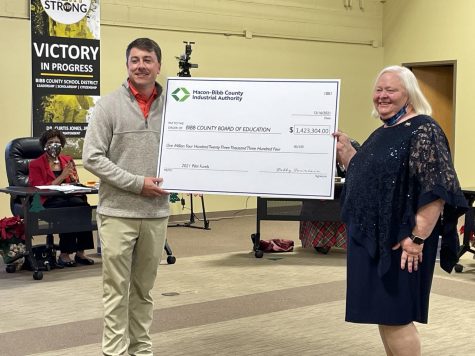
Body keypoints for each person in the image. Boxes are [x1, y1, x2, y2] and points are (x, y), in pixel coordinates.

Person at [334, 65, 468, 356]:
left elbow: (436, 190)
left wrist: (417, 239)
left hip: (403, 241)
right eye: (379, 89)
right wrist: (348, 153)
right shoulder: (384, 131)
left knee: (396, 317)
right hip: (380, 238)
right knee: (385, 314)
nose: (382, 96)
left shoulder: (423, 129)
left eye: (391, 90)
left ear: (409, 95)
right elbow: (373, 176)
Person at [82, 38, 169, 356]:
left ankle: (141, 350)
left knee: (144, 291)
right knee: (116, 290)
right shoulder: (107, 105)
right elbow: (92, 157)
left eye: (147, 59)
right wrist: (136, 184)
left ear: (158, 66)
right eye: (134, 60)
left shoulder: (175, 107)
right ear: (127, 65)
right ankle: (114, 353)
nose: (141, 65)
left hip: (157, 213)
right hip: (118, 211)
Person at [28, 129, 95, 267]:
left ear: (62, 144)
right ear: (44, 145)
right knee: (67, 211)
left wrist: (73, 179)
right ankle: (65, 254)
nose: (54, 145)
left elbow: (73, 182)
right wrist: (62, 177)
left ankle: (80, 252)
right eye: (51, 142)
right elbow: (37, 189)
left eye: (57, 142)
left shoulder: (67, 160)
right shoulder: (35, 164)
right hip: (48, 201)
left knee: (83, 207)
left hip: (68, 197)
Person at [299, 139, 360, 254]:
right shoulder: (316, 155)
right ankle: (322, 241)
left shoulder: (353, 148)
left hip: (342, 199)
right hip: (319, 203)